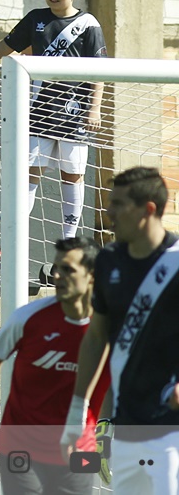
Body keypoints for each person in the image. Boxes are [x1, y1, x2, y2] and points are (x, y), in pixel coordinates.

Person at [0, 0, 106, 239]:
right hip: (39, 112)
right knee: (28, 175)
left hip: (75, 115)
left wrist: (94, 108)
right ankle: (11, 242)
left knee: (72, 176)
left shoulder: (88, 24)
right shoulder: (35, 19)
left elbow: (99, 71)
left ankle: (68, 244)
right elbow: (5, 47)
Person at [0, 237, 110, 494]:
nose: (57, 276)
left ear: (93, 276)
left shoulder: (113, 329)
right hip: (20, 448)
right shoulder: (27, 318)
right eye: (57, 268)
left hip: (79, 450)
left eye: (68, 270)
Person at [64, 166, 179, 494]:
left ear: (148, 210)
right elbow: (98, 337)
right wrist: (79, 407)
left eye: (118, 204)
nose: (108, 211)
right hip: (128, 425)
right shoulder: (109, 260)